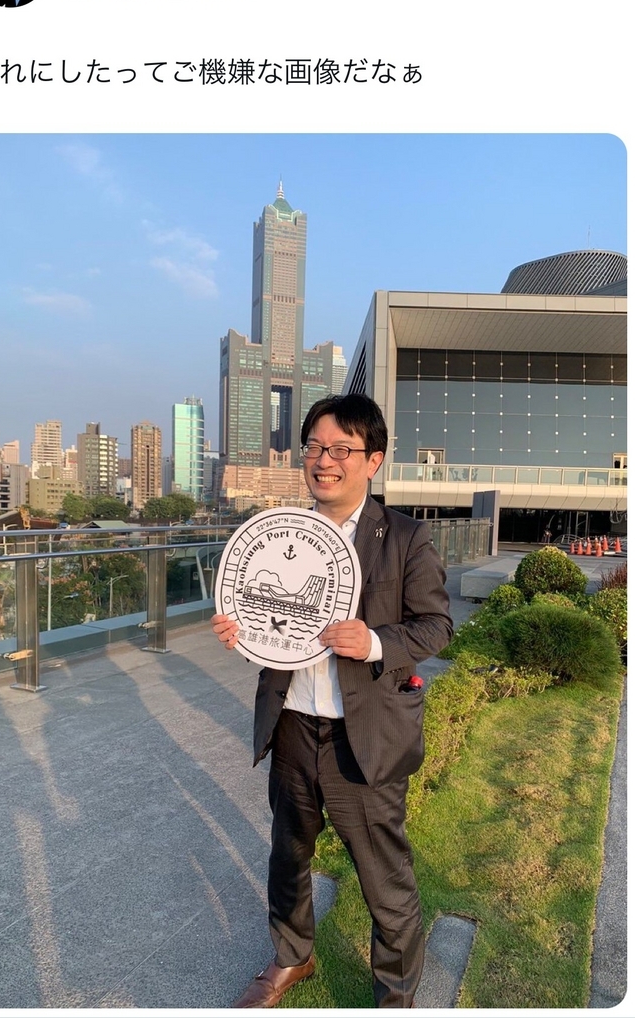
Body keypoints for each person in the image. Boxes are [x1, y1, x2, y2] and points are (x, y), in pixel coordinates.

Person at [211, 394, 452, 1008]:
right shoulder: (280, 537)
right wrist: (241, 628)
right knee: (288, 855)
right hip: (293, 723)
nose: (324, 460)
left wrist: (374, 641)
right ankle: (292, 956)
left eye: (341, 449)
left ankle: (396, 996)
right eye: (315, 447)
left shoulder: (406, 537)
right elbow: (270, 620)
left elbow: (436, 626)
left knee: (383, 876)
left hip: (363, 737)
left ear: (373, 461)